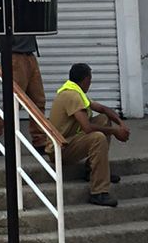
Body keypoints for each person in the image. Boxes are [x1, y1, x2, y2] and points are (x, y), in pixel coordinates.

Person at [47, 61, 130, 208]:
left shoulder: (76, 92)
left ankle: (93, 170)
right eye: (90, 80)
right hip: (61, 148)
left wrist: (120, 123)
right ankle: (98, 192)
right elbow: (87, 128)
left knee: (104, 120)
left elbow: (103, 109)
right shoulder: (71, 96)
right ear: (85, 80)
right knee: (97, 138)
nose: (90, 84)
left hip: (72, 140)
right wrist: (116, 132)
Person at [0, 33, 48, 154]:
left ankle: (39, 140)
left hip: (29, 54)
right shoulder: (8, 14)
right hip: (15, 56)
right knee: (14, 101)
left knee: (38, 100)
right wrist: (5, 43)